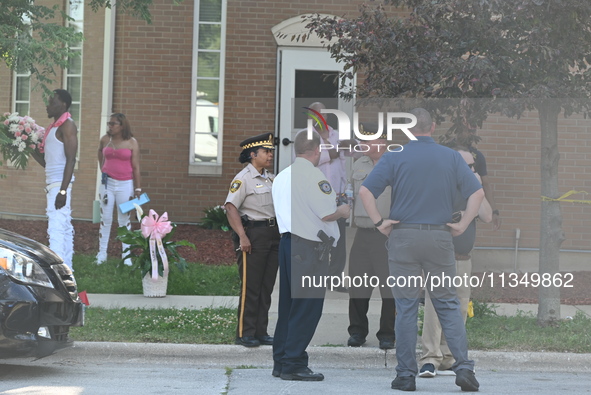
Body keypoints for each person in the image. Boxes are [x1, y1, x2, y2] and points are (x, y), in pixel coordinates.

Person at [359, 108, 483, 392]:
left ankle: (405, 375)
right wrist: (463, 224)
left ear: (406, 129)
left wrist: (379, 222)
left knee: (406, 308)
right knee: (448, 306)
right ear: (433, 126)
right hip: (439, 238)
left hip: (403, 238)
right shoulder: (450, 156)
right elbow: (476, 192)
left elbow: (366, 192)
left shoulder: (394, 156)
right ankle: (463, 368)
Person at [271, 129, 350, 381]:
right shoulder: (315, 177)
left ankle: (281, 360)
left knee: (288, 306)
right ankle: (294, 363)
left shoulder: (282, 176)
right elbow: (327, 213)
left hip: (287, 244)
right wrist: (343, 210)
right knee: (307, 306)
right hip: (308, 248)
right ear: (317, 150)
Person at [418, 145, 493, 378]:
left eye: (473, 166)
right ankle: (429, 358)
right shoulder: (440, 184)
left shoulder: (473, 190)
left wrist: (477, 187)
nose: (470, 169)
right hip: (440, 258)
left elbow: (488, 216)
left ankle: (448, 356)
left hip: (463, 259)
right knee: (434, 309)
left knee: (459, 309)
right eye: (466, 165)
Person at [225, 133, 279, 348]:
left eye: (271, 151)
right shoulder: (243, 179)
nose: (270, 155)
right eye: (266, 151)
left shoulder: (271, 178)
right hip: (253, 235)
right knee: (251, 286)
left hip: (273, 234)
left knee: (266, 286)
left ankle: (261, 331)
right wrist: (242, 236)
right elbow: (230, 208)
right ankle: (245, 332)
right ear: (252, 154)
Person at [346, 123, 396, 350]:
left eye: (366, 141)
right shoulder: (359, 164)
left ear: (382, 142)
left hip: (388, 235)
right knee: (358, 285)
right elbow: (349, 195)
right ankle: (357, 331)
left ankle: (387, 333)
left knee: (390, 288)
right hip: (362, 233)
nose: (362, 145)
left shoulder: (397, 164)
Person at [305, 102, 351, 288]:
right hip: (315, 197)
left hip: (337, 196)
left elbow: (347, 157)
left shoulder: (337, 135)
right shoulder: (305, 137)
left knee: (339, 242)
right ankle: (315, 278)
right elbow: (308, 163)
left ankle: (335, 279)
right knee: (316, 239)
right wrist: (329, 146)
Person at [32, 89, 78, 270]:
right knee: (64, 231)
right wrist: (28, 147)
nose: (47, 105)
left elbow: (71, 159)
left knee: (56, 231)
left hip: (60, 185)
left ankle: (58, 275)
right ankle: (68, 272)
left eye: (52, 102)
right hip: (53, 184)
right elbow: (48, 163)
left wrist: (63, 191)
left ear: (64, 105)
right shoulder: (53, 128)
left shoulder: (67, 125)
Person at [96, 113, 142, 265]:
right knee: (106, 218)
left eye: (113, 123)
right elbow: (99, 153)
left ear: (122, 125)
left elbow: (136, 166)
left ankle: (126, 256)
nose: (110, 126)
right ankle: (102, 254)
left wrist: (138, 189)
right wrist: (103, 169)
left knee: (124, 220)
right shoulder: (105, 140)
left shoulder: (131, 142)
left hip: (125, 185)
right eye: (109, 123)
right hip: (107, 184)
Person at [455, 127, 502, 230]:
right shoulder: (447, 152)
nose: (471, 134)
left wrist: (494, 210)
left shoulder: (477, 156)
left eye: (473, 131)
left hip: (469, 207)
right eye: (468, 130)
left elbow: (485, 183)